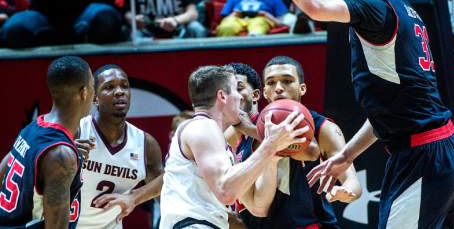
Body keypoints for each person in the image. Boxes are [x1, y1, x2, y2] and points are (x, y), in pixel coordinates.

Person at [246, 0, 454, 227]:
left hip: (423, 157)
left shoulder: (373, 5)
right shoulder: (401, 6)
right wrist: (346, 156)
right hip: (439, 149)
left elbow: (315, 6)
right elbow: (388, 109)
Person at [159, 65, 309, 229]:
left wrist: (272, 156)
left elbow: (258, 206)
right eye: (236, 90)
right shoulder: (203, 127)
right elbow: (226, 192)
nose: (239, 97)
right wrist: (269, 145)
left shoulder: (217, 140)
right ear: (222, 96)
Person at [229, 58, 360, 229]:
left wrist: (346, 191)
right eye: (271, 83)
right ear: (265, 92)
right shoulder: (243, 129)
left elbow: (351, 180)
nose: (278, 87)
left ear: (302, 88)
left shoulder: (323, 128)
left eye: (287, 81)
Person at [0, 56, 94, 229]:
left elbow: (2, 171)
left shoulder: (32, 128)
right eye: (93, 86)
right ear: (84, 92)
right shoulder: (61, 155)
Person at [74, 64, 164, 229]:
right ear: (94, 98)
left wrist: (133, 198)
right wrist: (66, 155)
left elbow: (166, 184)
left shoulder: (145, 144)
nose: (119, 92)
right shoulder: (77, 130)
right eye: (109, 87)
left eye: (124, 86)